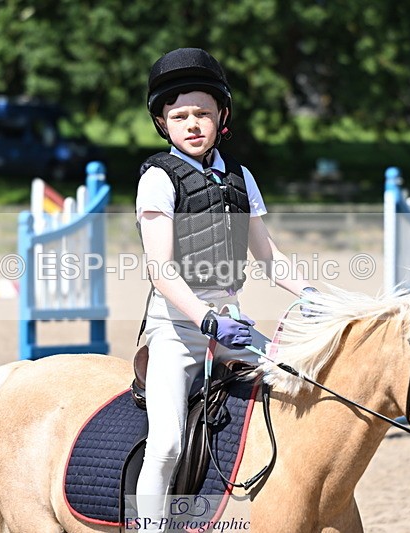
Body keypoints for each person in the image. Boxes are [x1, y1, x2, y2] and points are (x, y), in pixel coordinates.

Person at [135, 47, 318, 530]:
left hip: (231, 324)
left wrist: (313, 294)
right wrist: (206, 319)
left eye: (202, 113)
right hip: (177, 330)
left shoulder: (241, 177)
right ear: (163, 123)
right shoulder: (158, 178)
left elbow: (270, 258)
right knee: (167, 442)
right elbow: (161, 272)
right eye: (179, 116)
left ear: (221, 117)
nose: (192, 124)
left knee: (300, 390)